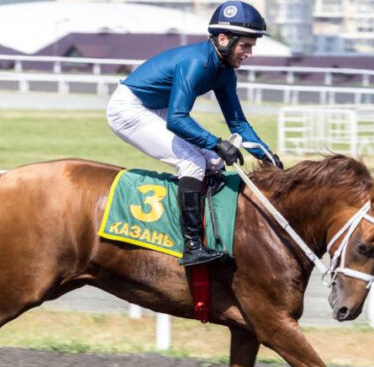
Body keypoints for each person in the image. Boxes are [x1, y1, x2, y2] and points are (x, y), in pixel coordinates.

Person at [107, 0, 281, 267]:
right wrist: (217, 143)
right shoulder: (197, 63)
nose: (249, 53)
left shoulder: (225, 72)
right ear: (223, 39)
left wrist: (268, 156)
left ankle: (212, 226)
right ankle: (192, 246)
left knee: (213, 160)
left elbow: (238, 123)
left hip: (157, 107)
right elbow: (177, 119)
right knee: (193, 160)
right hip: (129, 109)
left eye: (251, 46)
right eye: (245, 46)